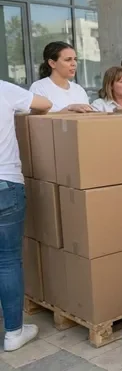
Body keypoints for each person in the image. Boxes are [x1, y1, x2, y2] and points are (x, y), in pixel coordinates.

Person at [0, 80, 52, 351]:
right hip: (4, 184)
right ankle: (13, 333)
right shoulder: (3, 90)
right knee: (7, 260)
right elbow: (45, 104)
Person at [29, 42, 93, 113]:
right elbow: (37, 119)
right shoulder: (39, 87)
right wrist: (69, 108)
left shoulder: (79, 90)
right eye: (68, 60)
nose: (74, 63)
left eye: (75, 59)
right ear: (52, 63)